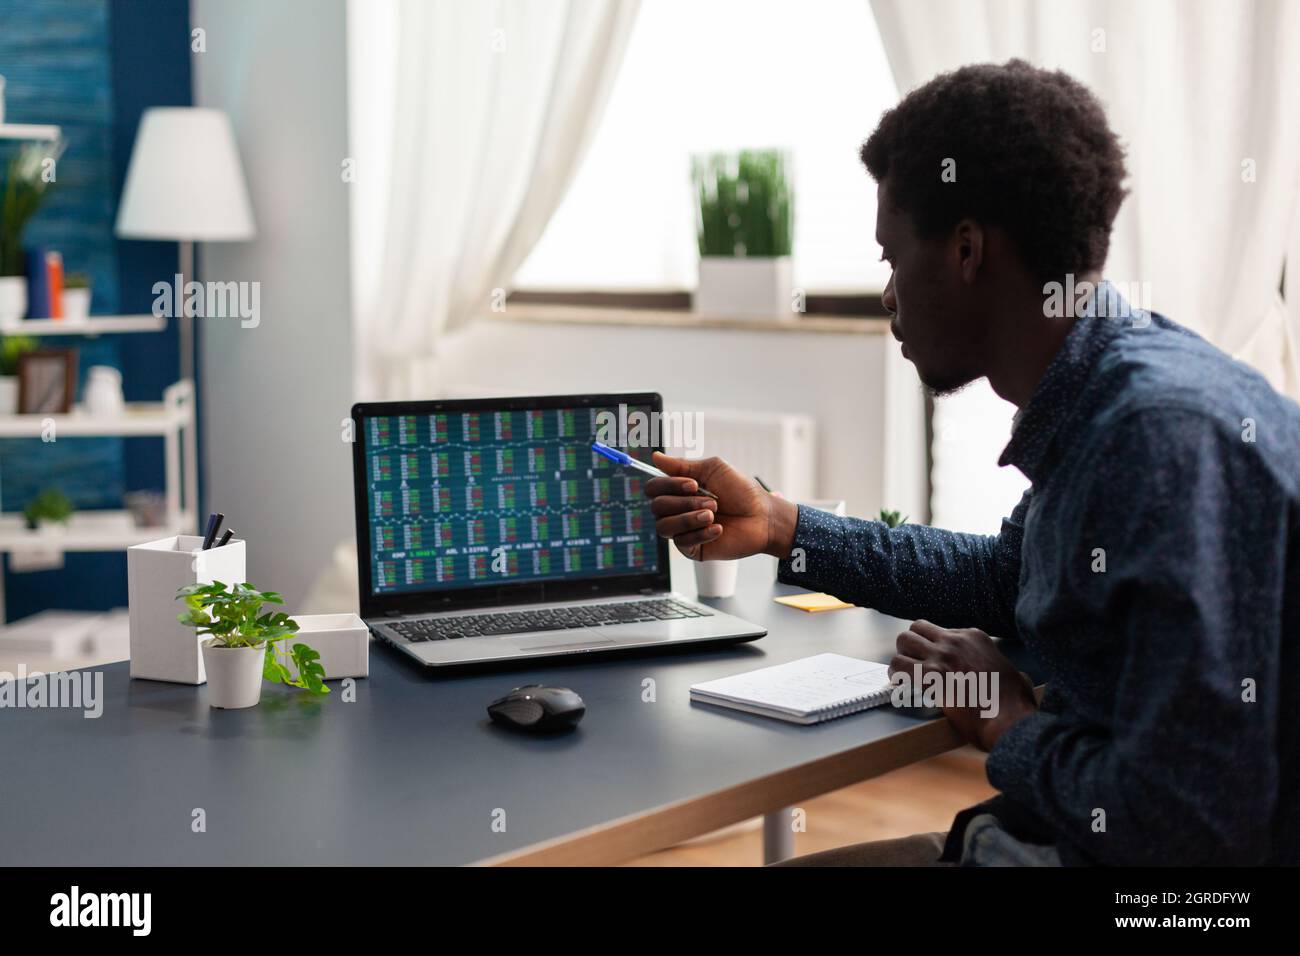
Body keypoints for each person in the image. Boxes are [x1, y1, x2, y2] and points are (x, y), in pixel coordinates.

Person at [644, 59, 1300, 866]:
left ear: (965, 250)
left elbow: (1186, 828)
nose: (888, 293)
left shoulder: (1155, 442)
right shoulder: (1109, 393)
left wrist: (1003, 717)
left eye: (891, 258)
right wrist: (779, 524)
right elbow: (1003, 580)